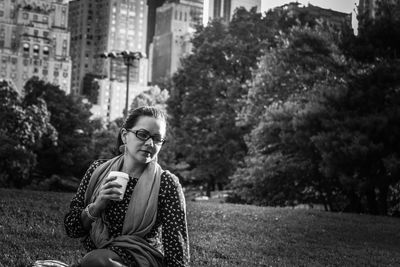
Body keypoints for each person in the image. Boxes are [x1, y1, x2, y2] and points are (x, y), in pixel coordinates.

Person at [64, 106, 189, 267]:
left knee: (95, 261)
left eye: (157, 139)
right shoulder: (98, 170)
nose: (150, 143)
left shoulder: (166, 183)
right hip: (99, 258)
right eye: (142, 135)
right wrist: (96, 206)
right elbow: (72, 229)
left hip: (141, 259)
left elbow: (178, 253)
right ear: (124, 135)